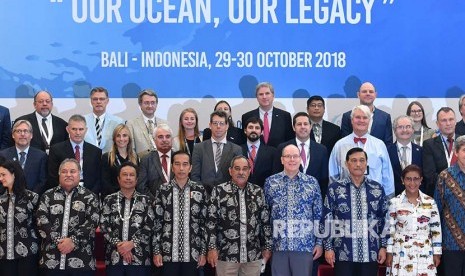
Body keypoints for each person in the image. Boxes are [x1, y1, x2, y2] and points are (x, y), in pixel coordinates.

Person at [323, 147, 388, 276]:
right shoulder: (335, 188)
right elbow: (327, 218)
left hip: (370, 252)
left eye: (361, 160)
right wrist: (328, 247)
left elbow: (384, 220)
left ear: (366, 163)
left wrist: (383, 247)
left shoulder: (377, 188)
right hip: (343, 253)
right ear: (347, 164)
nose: (358, 164)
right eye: (354, 160)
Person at [207, 156, 272, 276]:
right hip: (226, 255)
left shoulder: (258, 191)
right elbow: (211, 222)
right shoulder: (219, 191)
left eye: (245, 169)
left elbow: (265, 222)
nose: (241, 172)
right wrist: (212, 248)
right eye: (237, 169)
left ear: (249, 171)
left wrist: (267, 247)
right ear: (230, 171)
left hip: (253, 254)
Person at [265, 144, 323, 276]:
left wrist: (319, 243)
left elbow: (318, 214)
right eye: (288, 156)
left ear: (300, 159)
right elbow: (265, 216)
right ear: (282, 160)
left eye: (295, 156)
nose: (292, 159)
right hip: (278, 246)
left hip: (304, 246)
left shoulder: (312, 183)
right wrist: (267, 245)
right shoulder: (270, 182)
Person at [36, 158, 100, 275]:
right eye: (64, 171)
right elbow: (41, 220)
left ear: (79, 174)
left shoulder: (90, 197)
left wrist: (72, 241)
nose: (68, 175)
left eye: (72, 171)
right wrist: (59, 241)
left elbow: (92, 222)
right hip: (51, 260)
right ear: (59, 174)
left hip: (81, 261)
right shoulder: (47, 196)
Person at [153, 151, 208, 275]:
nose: (181, 168)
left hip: (193, 253)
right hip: (168, 253)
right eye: (177, 164)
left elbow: (204, 224)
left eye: (185, 164)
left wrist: (203, 252)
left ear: (190, 167)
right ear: (172, 167)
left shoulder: (199, 190)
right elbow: (157, 223)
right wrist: (156, 251)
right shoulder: (163, 190)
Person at [100, 162, 154, 276]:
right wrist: (120, 246)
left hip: (140, 259)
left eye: (131, 175)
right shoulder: (109, 200)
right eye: (125, 174)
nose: (128, 178)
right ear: (119, 179)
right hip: (115, 258)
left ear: (137, 179)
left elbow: (150, 225)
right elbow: (104, 225)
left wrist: (132, 244)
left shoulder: (146, 200)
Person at [386, 165, 441, 276]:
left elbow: (436, 230)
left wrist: (437, 253)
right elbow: (389, 230)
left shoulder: (430, 202)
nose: (412, 183)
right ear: (402, 180)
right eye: (408, 179)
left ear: (421, 180)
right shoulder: (394, 203)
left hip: (424, 251)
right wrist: (389, 252)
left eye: (416, 179)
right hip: (401, 252)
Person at [329, 105, 395, 198]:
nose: (361, 120)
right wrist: (335, 196)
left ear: (370, 121)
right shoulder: (339, 145)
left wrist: (389, 199)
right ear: (352, 120)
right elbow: (333, 174)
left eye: (365, 118)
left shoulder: (379, 145)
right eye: (357, 117)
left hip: (375, 198)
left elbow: (387, 175)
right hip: (346, 198)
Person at [274, 112, 329, 198]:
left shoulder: (322, 150)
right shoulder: (282, 147)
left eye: (306, 124)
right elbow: (276, 174)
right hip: (287, 197)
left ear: (310, 127)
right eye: (299, 124)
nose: (303, 127)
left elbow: (324, 179)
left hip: (313, 200)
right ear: (293, 127)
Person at [0, 160, 40, 276]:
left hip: (28, 254)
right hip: (4, 254)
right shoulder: (1, 200)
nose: (0, 178)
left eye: (3, 174)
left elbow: (39, 225)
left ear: (14, 174)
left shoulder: (32, 198)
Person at [47, 114, 102, 194]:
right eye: (74, 129)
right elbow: (53, 176)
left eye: (81, 129)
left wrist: (90, 195)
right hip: (64, 192)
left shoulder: (95, 151)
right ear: (68, 129)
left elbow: (98, 178)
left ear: (86, 130)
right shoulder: (56, 150)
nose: (78, 133)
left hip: (89, 193)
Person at [435, 135, 465, 275]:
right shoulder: (444, 177)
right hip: (451, 243)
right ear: (457, 152)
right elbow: (437, 210)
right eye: (464, 150)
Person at [191, 111, 242, 194]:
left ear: (227, 126)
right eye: (215, 123)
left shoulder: (236, 149)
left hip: (229, 198)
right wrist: (203, 194)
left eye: (221, 123)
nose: (218, 126)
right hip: (204, 198)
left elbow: (238, 176)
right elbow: (194, 176)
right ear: (210, 125)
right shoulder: (198, 148)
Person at [0, 120, 48, 195]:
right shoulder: (3, 155)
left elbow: (42, 181)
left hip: (32, 201)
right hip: (7, 199)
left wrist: (30, 197)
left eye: (26, 131)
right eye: (19, 131)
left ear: (31, 135)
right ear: (13, 135)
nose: (22, 134)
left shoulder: (41, 156)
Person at [242, 82, 294, 148]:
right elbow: (244, 141)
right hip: (256, 156)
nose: (264, 97)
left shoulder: (285, 116)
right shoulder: (247, 116)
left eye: (267, 93)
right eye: (261, 94)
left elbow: (289, 140)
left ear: (273, 95)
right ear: (257, 97)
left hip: (279, 156)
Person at [423, 107, 457, 196]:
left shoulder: (463, 142)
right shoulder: (429, 145)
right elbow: (430, 176)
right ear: (437, 124)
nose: (448, 123)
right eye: (444, 120)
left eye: (451, 119)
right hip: (439, 194)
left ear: (455, 121)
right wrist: (452, 186)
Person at [126, 89, 169, 158]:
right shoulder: (131, 124)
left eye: (153, 102)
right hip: (141, 166)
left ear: (156, 104)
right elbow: (131, 150)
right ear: (140, 104)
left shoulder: (165, 123)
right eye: (146, 103)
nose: (150, 106)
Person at [387, 115, 423, 195]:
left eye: (408, 127)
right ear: (394, 131)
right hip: (394, 197)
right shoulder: (387, 151)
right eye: (400, 127)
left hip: (417, 197)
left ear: (413, 130)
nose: (405, 130)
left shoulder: (421, 151)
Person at [101, 124, 139, 199]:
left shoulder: (135, 158)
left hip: (132, 198)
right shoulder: (107, 157)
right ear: (114, 139)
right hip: (113, 199)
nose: (121, 139)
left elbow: (137, 180)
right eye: (118, 136)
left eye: (124, 135)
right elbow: (105, 183)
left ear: (129, 138)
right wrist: (120, 196)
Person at [136, 124, 174, 198]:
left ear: (172, 139)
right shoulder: (146, 160)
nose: (164, 140)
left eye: (168, 136)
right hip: (153, 205)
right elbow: (141, 186)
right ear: (154, 140)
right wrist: (155, 203)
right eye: (160, 137)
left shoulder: (179, 158)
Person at [84, 87, 124, 153]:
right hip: (87, 159)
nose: (98, 102)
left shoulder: (118, 122)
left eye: (102, 99)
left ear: (107, 101)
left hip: (110, 160)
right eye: (95, 99)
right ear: (91, 101)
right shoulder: (82, 121)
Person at [241, 117, 276, 188]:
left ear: (262, 131)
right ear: (245, 130)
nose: (253, 130)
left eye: (257, 128)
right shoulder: (238, 149)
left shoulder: (272, 152)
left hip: (264, 192)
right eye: (250, 127)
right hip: (241, 192)